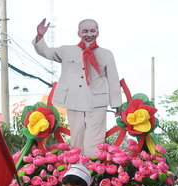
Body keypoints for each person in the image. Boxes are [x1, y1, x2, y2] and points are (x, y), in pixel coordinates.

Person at [33, 18, 121, 156]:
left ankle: (93, 173)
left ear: (98, 33)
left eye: (93, 30)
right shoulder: (66, 51)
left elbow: (113, 80)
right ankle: (77, 173)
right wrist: (40, 36)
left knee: (95, 144)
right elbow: (46, 52)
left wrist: (117, 104)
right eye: (85, 31)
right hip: (74, 101)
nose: (89, 34)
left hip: (97, 104)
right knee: (76, 142)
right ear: (78, 33)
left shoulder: (106, 54)